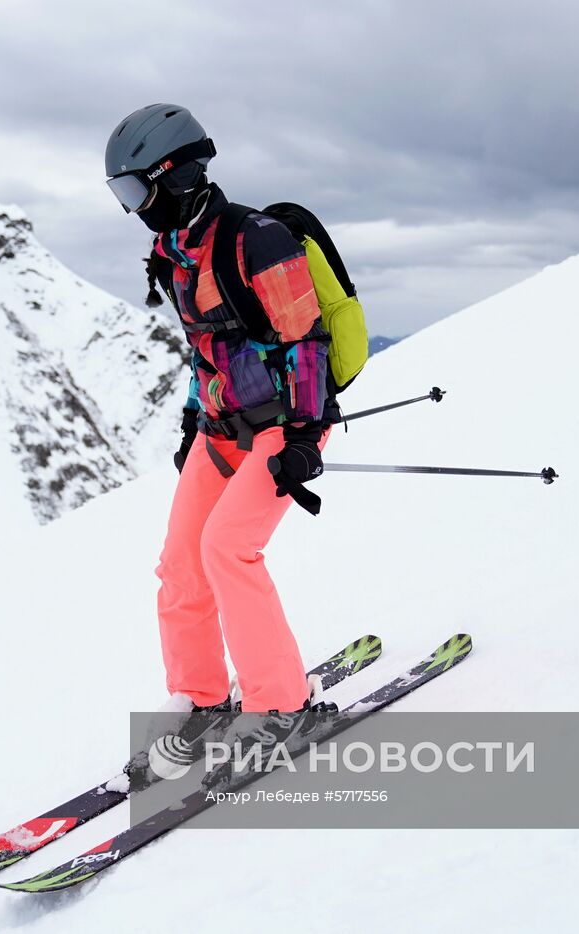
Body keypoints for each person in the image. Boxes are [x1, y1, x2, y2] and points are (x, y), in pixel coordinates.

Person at [105, 104, 332, 730]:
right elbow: (206, 346)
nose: (133, 207)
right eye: (121, 193)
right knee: (181, 565)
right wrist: (190, 421)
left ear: (174, 174)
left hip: (284, 422)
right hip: (221, 429)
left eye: (135, 188)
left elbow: (306, 339)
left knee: (227, 550)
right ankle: (199, 700)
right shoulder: (173, 250)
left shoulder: (255, 238)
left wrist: (306, 436)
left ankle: (282, 707)